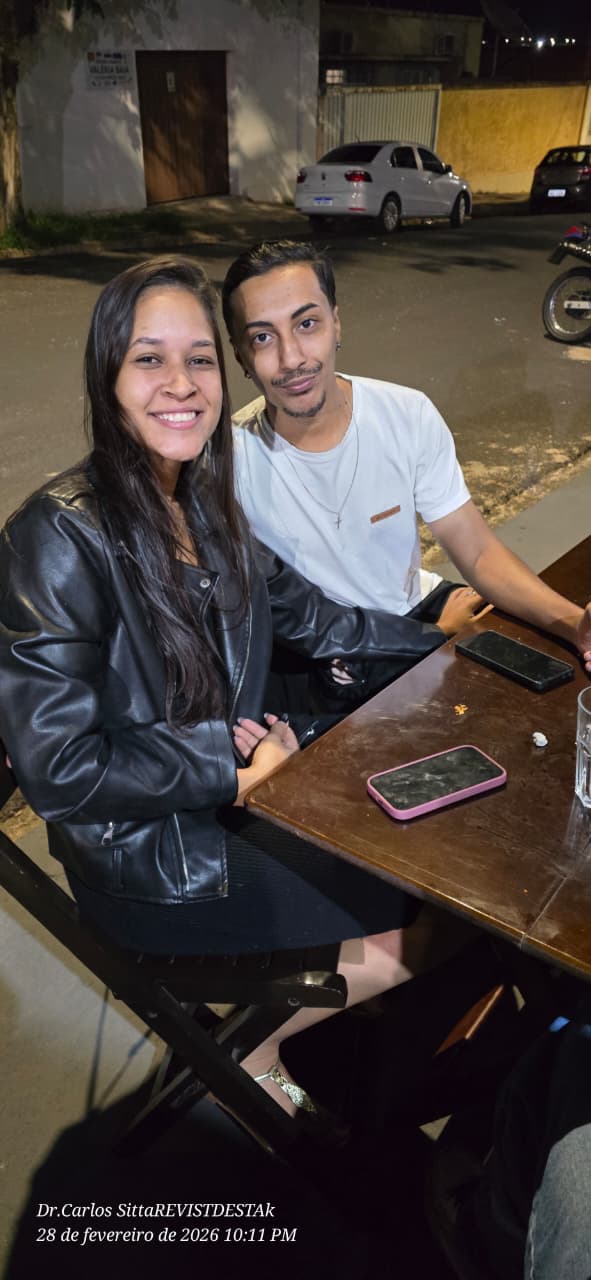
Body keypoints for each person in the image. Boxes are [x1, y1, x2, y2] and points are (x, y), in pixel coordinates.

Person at [0, 255, 430, 1126]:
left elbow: (320, 619)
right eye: (148, 359)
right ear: (107, 377)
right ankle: (256, 1056)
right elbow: (59, 768)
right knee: (412, 919)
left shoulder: (202, 503)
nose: (181, 384)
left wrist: (451, 637)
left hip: (226, 801)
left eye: (199, 359)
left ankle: (318, 1022)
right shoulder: (56, 535)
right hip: (150, 859)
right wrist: (226, 769)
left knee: (418, 836)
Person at [222, 239, 591, 711]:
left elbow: (476, 550)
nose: (291, 358)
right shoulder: (228, 461)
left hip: (416, 615)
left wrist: (574, 624)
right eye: (262, 337)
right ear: (240, 356)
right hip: (313, 656)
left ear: (337, 323)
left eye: (307, 324)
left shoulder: (406, 414)